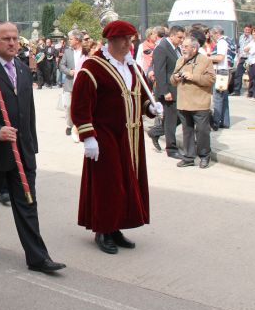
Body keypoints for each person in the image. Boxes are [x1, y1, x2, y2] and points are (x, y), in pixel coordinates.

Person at [0, 20, 66, 273]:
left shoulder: (21, 69)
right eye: (6, 39)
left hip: (22, 150)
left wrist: (31, 145)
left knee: (27, 203)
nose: (12, 43)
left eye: (15, 38)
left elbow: (28, 112)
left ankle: (37, 257)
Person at [70, 20, 163, 254]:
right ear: (113, 41)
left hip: (130, 136)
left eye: (131, 40)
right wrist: (88, 136)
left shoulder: (133, 68)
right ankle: (103, 229)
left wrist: (150, 109)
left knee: (127, 181)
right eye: (126, 40)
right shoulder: (93, 67)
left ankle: (117, 226)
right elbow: (80, 105)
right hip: (105, 135)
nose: (130, 44)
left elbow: (138, 98)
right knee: (108, 184)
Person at [171, 36, 215, 168]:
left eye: (186, 46)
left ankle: (204, 156)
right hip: (183, 103)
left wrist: (193, 77)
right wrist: (176, 77)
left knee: (202, 131)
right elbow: (172, 80)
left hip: (199, 103)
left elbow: (211, 79)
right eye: (182, 46)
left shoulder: (205, 61)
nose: (183, 48)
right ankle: (189, 157)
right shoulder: (180, 60)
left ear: (194, 48)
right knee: (187, 131)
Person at [147, 25, 185, 158]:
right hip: (168, 91)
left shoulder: (176, 48)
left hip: (177, 89)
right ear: (172, 35)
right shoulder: (162, 48)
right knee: (171, 120)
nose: (181, 40)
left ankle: (156, 132)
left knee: (180, 118)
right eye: (180, 37)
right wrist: (165, 91)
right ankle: (172, 149)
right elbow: (160, 71)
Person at [209, 26, 235, 130]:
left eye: (212, 36)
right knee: (224, 98)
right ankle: (225, 122)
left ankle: (215, 122)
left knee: (218, 98)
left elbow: (220, 57)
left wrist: (207, 58)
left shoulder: (221, 42)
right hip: (226, 71)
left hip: (221, 72)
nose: (212, 38)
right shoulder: (229, 40)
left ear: (216, 33)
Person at [58, 30, 83, 141]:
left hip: (82, 83)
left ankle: (79, 127)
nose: (69, 41)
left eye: (71, 39)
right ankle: (69, 124)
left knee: (80, 106)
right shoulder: (67, 52)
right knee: (68, 105)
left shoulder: (85, 52)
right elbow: (61, 65)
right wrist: (69, 71)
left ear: (77, 40)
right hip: (69, 83)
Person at [231, 24, 253, 96]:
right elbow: (239, 48)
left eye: (248, 30)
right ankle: (237, 91)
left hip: (249, 58)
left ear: (250, 30)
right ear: (244, 29)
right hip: (242, 58)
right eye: (246, 30)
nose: (247, 31)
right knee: (238, 74)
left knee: (251, 75)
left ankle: (251, 92)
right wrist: (238, 57)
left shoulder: (252, 38)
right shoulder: (241, 37)